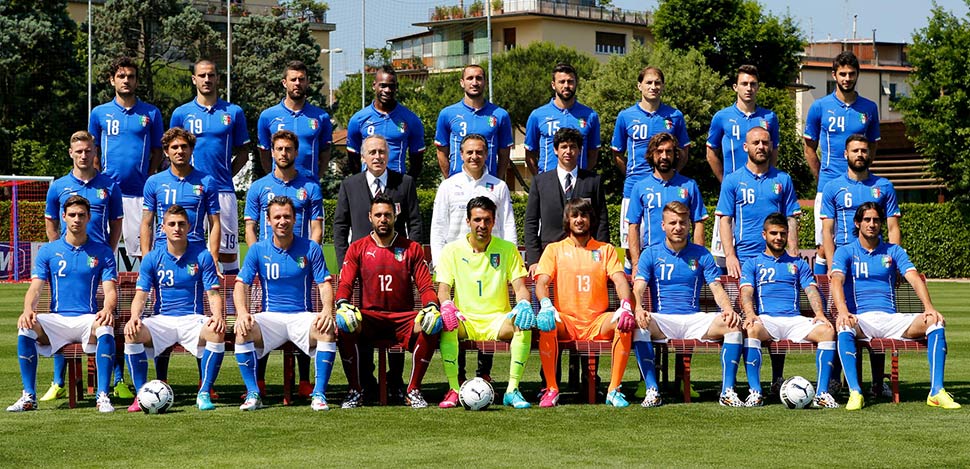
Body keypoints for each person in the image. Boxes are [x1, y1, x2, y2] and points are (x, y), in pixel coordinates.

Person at [830, 203, 960, 411]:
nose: (872, 224)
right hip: (862, 320)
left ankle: (936, 391)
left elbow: (914, 278)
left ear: (881, 223)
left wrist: (929, 307)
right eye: (867, 220)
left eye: (876, 220)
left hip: (891, 319)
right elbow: (836, 281)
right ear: (857, 223)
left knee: (935, 322)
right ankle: (855, 392)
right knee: (844, 325)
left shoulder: (894, 250)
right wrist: (843, 312)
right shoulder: (845, 251)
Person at [8, 195, 118, 412]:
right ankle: (29, 396)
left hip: (87, 319)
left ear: (89, 218)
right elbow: (35, 288)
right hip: (57, 319)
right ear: (64, 217)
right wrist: (28, 309)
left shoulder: (103, 252)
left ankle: (103, 395)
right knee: (26, 327)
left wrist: (107, 308)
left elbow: (110, 290)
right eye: (72, 215)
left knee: (105, 326)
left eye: (81, 215)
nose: (77, 219)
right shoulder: (48, 251)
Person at [631, 201, 744, 407]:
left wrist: (728, 309)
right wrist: (638, 308)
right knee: (640, 325)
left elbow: (716, 288)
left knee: (732, 325)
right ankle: (652, 390)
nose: (678, 227)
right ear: (663, 225)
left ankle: (727, 391)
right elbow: (638, 287)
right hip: (663, 320)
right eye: (672, 223)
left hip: (693, 319)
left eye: (682, 222)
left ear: (689, 225)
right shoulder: (650, 253)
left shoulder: (702, 254)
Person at [39, 131, 124, 403]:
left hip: (99, 262)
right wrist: (58, 249)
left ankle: (118, 380)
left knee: (109, 317)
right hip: (69, 262)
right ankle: (58, 382)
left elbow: (117, 222)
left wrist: (108, 251)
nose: (84, 155)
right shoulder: (59, 186)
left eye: (88, 150)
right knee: (62, 315)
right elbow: (51, 221)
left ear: (95, 152)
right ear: (71, 153)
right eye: (79, 151)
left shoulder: (109, 185)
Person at [334, 195, 440, 409]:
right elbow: (345, 283)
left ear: (395, 217)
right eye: (378, 215)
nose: (383, 219)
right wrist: (342, 303)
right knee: (344, 323)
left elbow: (426, 286)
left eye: (387, 215)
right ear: (370, 217)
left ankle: (413, 390)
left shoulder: (412, 248)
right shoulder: (357, 247)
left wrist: (431, 305)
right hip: (370, 318)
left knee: (433, 323)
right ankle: (355, 390)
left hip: (402, 319)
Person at [715, 126, 800, 391]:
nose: (761, 147)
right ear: (745, 147)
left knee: (776, 313)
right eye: (756, 142)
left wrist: (793, 252)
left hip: (776, 259)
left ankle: (776, 378)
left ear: (771, 146)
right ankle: (738, 381)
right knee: (743, 319)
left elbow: (791, 218)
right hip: (743, 259)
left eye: (765, 142)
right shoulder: (733, 180)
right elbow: (725, 220)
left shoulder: (783, 179)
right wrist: (730, 255)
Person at [232, 196, 336, 411]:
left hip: (301, 316)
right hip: (270, 317)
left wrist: (327, 310)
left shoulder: (311, 248)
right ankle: (253, 393)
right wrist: (242, 313)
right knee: (243, 331)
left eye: (287, 216)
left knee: (326, 330)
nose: (282, 221)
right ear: (268, 221)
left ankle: (319, 394)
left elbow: (324, 284)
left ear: (295, 219)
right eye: (277, 217)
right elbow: (241, 285)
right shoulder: (257, 250)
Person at [820, 134, 902, 397]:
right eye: (855, 150)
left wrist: (894, 264)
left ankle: (877, 383)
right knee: (842, 319)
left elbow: (892, 227)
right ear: (846, 154)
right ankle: (838, 381)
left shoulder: (883, 186)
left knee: (877, 317)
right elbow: (827, 231)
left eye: (864, 150)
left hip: (875, 259)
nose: (860, 155)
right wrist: (832, 266)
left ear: (870, 154)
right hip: (845, 262)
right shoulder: (833, 187)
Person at [534, 198, 634, 407]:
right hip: (567, 321)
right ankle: (551, 389)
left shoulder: (606, 249)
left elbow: (619, 280)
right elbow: (542, 282)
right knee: (547, 323)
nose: (579, 220)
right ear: (567, 220)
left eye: (584, 215)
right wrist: (545, 304)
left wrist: (626, 305)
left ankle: (614, 390)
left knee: (623, 323)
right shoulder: (554, 249)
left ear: (591, 219)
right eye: (575, 215)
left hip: (597, 321)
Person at [435, 196, 534, 409]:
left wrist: (524, 304)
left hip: (498, 321)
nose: (482, 225)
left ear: (494, 221)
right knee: (447, 323)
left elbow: (520, 288)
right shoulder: (451, 250)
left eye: (487, 220)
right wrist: (447, 305)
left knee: (523, 324)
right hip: (466, 320)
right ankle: (454, 389)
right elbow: (443, 290)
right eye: (477, 220)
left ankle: (512, 390)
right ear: (468, 221)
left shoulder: (507, 249)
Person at [123, 205, 225, 412]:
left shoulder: (203, 256)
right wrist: (134, 317)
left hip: (192, 318)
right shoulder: (152, 258)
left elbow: (213, 294)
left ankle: (204, 392)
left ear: (189, 227)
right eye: (172, 224)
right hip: (162, 319)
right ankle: (141, 394)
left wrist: (217, 316)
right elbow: (141, 295)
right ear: (163, 228)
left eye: (181, 224)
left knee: (216, 331)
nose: (177, 228)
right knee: (132, 333)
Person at [245, 129, 323, 396]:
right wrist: (257, 257)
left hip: (300, 261)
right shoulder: (258, 187)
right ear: (272, 152)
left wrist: (310, 256)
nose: (284, 153)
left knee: (303, 311)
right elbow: (250, 227)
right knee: (265, 313)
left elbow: (316, 227)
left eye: (288, 149)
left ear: (296, 152)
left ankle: (305, 381)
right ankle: (260, 381)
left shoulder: (310, 186)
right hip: (267, 262)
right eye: (279, 149)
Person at [739, 213, 838, 408]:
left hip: (794, 320)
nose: (778, 237)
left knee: (827, 331)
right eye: (773, 233)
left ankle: (822, 394)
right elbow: (746, 292)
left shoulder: (798, 263)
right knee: (751, 329)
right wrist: (750, 314)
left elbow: (811, 290)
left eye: (782, 234)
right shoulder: (753, 263)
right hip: (767, 320)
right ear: (764, 234)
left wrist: (819, 314)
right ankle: (756, 392)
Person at [170, 59, 250, 274]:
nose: (207, 79)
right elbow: (171, 150)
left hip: (223, 190)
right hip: (188, 189)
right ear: (194, 79)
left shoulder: (234, 112)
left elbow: (243, 152)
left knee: (228, 252)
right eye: (202, 75)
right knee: (186, 246)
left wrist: (226, 175)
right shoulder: (181, 113)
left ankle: (230, 295)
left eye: (211, 75)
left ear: (218, 79)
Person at [803, 51, 880, 273]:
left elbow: (872, 145)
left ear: (857, 75)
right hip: (828, 184)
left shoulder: (869, 108)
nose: (847, 78)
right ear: (834, 75)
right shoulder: (819, 107)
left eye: (851, 74)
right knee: (823, 247)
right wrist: (822, 177)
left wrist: (862, 173)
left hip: (860, 185)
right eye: (843, 74)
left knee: (861, 242)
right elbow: (809, 149)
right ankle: (824, 291)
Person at [88, 56, 164, 258]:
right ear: (112, 80)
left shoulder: (151, 113)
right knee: (99, 250)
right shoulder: (99, 113)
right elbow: (93, 150)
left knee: (143, 252)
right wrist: (98, 178)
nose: (126, 80)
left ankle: (146, 281)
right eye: (121, 76)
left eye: (131, 76)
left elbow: (158, 150)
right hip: (106, 191)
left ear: (136, 81)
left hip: (138, 193)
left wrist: (148, 176)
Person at [706, 65, 780, 268]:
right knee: (724, 259)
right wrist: (725, 182)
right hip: (732, 194)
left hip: (760, 194)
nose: (749, 88)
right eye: (744, 84)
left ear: (758, 87)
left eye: (753, 84)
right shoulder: (722, 117)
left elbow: (773, 152)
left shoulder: (769, 117)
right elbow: (711, 153)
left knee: (765, 252)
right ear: (735, 87)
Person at [613, 66, 691, 257]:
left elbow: (684, 151)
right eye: (649, 82)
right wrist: (632, 175)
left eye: (657, 83)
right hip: (633, 188)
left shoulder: (675, 116)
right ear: (639, 86)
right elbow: (617, 154)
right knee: (631, 250)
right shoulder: (625, 116)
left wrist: (672, 176)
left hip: (667, 190)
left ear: (663, 86)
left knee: (670, 245)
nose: (653, 86)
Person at [524, 127, 609, 274]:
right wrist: (533, 260)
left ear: (580, 150)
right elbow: (531, 222)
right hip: (549, 255)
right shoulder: (540, 182)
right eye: (563, 147)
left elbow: (602, 220)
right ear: (555, 150)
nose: (568, 151)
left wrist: (602, 253)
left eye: (573, 147)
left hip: (586, 254)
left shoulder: (593, 181)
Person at [333, 134, 422, 267]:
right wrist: (345, 265)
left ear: (388, 155)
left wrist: (412, 259)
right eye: (372, 152)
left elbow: (415, 223)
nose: (377, 157)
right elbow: (340, 227)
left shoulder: (405, 183)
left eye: (382, 152)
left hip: (397, 262)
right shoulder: (349, 186)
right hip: (361, 263)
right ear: (363, 157)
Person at [430, 134, 516, 266]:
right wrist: (438, 263)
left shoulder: (499, 186)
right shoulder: (447, 186)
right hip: (456, 262)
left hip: (492, 262)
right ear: (461, 154)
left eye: (479, 152)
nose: (474, 157)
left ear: (486, 154)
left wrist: (511, 260)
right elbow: (438, 227)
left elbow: (508, 225)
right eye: (469, 152)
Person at [626, 132, 707, 271]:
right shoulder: (640, 187)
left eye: (668, 151)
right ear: (651, 154)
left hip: (683, 257)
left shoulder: (689, 185)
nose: (664, 156)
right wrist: (636, 263)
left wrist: (697, 258)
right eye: (659, 151)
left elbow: (698, 222)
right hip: (651, 258)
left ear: (675, 154)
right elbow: (633, 226)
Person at [141, 128, 221, 265]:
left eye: (184, 146)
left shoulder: (207, 181)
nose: (180, 151)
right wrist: (146, 260)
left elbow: (215, 223)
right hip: (162, 253)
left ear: (191, 149)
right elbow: (146, 223)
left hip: (196, 253)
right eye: (174, 147)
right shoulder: (154, 182)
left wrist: (213, 259)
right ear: (166, 152)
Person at [256, 60, 332, 179]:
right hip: (279, 185)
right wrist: (273, 179)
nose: (297, 83)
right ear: (284, 83)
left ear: (307, 82)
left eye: (301, 79)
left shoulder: (321, 117)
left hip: (309, 185)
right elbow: (264, 153)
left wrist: (316, 179)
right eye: (293, 79)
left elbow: (325, 152)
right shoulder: (268, 116)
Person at [435, 64, 513, 179]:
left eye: (479, 78)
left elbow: (504, 154)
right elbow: (441, 152)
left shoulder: (501, 115)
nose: (475, 83)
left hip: (488, 182)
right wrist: (450, 180)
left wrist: (497, 180)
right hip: (458, 184)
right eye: (470, 78)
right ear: (462, 83)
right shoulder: (447, 114)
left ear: (485, 82)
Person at [346, 65, 425, 178]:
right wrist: (362, 183)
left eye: (391, 86)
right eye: (383, 86)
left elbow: (417, 162)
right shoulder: (358, 119)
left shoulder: (411, 120)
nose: (387, 90)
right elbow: (353, 158)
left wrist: (405, 184)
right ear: (374, 86)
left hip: (397, 183)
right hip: (368, 183)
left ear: (397, 87)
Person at [524, 63, 601, 175]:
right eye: (561, 82)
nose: (566, 85)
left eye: (570, 81)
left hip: (579, 182)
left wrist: (581, 178)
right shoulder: (537, 115)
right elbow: (530, 155)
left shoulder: (590, 115)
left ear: (576, 83)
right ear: (553, 85)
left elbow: (593, 155)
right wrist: (540, 180)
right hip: (548, 182)